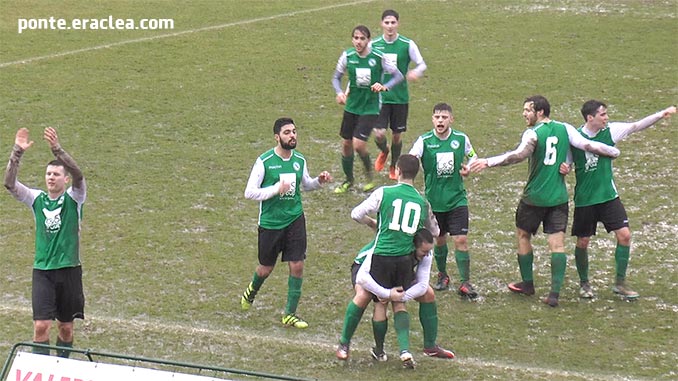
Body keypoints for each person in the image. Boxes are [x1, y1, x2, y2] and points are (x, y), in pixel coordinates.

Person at [469, 95, 621, 307]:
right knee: (556, 244)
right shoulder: (565, 128)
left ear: (540, 112)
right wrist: (611, 151)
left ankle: (527, 284)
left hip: (534, 198)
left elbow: (519, 155)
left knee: (523, 235)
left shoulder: (533, 134)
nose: (524, 114)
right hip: (558, 198)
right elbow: (587, 145)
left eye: (527, 110)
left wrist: (488, 162)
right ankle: (554, 294)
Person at [570, 101, 676, 300]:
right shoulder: (575, 137)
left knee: (625, 236)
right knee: (583, 241)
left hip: (609, 197)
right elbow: (565, 161)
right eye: (602, 115)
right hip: (585, 200)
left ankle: (620, 282)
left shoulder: (611, 131)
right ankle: (584, 283)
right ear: (589, 118)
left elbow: (637, 125)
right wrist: (564, 167)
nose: (606, 118)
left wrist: (661, 114)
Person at [344, 154, 438, 367]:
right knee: (398, 301)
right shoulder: (422, 202)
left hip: (379, 256)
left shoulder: (384, 192)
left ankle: (347, 345)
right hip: (403, 260)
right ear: (417, 173)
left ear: (397, 169)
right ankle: (411, 348)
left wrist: (373, 224)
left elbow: (356, 214)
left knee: (377, 300)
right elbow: (434, 231)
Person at [240, 117, 332, 328]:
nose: (292, 136)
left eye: (294, 132)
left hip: (294, 219)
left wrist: (319, 181)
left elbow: (306, 185)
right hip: (271, 223)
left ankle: (289, 313)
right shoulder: (264, 161)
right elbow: (249, 192)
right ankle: (251, 292)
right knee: (265, 268)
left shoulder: (299, 160)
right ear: (277, 137)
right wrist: (275, 189)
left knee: (297, 265)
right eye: (287, 132)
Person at [4, 127, 86, 358]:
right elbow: (10, 184)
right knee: (41, 326)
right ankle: (42, 370)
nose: (51, 177)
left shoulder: (74, 197)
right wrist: (17, 152)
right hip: (43, 271)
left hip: (69, 270)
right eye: (48, 174)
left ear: (65, 179)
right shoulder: (36, 199)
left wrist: (57, 150)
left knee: (66, 328)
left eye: (56, 174)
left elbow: (79, 175)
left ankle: (62, 367)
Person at [336, 229, 455, 368]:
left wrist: (400, 296)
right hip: (367, 267)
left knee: (428, 294)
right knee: (365, 296)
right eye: (423, 252)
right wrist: (386, 294)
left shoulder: (422, 251)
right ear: (413, 247)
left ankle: (429, 346)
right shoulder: (388, 247)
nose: (426, 255)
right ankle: (345, 344)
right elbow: (363, 278)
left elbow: (422, 284)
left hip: (397, 266)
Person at [409, 102, 478, 297]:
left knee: (461, 239)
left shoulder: (461, 139)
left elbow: (473, 156)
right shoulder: (424, 141)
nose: (440, 120)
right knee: (439, 240)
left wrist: (469, 167)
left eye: (444, 117)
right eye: (437, 117)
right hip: (434, 202)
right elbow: (413, 157)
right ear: (432, 120)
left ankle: (466, 282)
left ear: (451, 119)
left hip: (457, 200)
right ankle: (442, 275)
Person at [332, 25, 405, 194]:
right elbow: (336, 77)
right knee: (346, 145)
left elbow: (398, 76)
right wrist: (339, 92)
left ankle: (369, 177)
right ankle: (349, 180)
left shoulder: (379, 57)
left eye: (362, 38)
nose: (358, 42)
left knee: (358, 145)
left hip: (371, 108)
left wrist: (384, 86)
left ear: (368, 40)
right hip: (352, 107)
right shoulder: (347, 56)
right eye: (356, 38)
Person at [371, 9, 427, 180]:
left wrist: (416, 72)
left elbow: (422, 64)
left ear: (398, 24)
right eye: (386, 22)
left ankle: (394, 165)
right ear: (381, 24)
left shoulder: (406, 44)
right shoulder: (374, 45)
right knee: (379, 133)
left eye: (393, 22)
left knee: (396, 135)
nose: (390, 26)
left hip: (400, 98)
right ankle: (384, 151)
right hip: (380, 98)